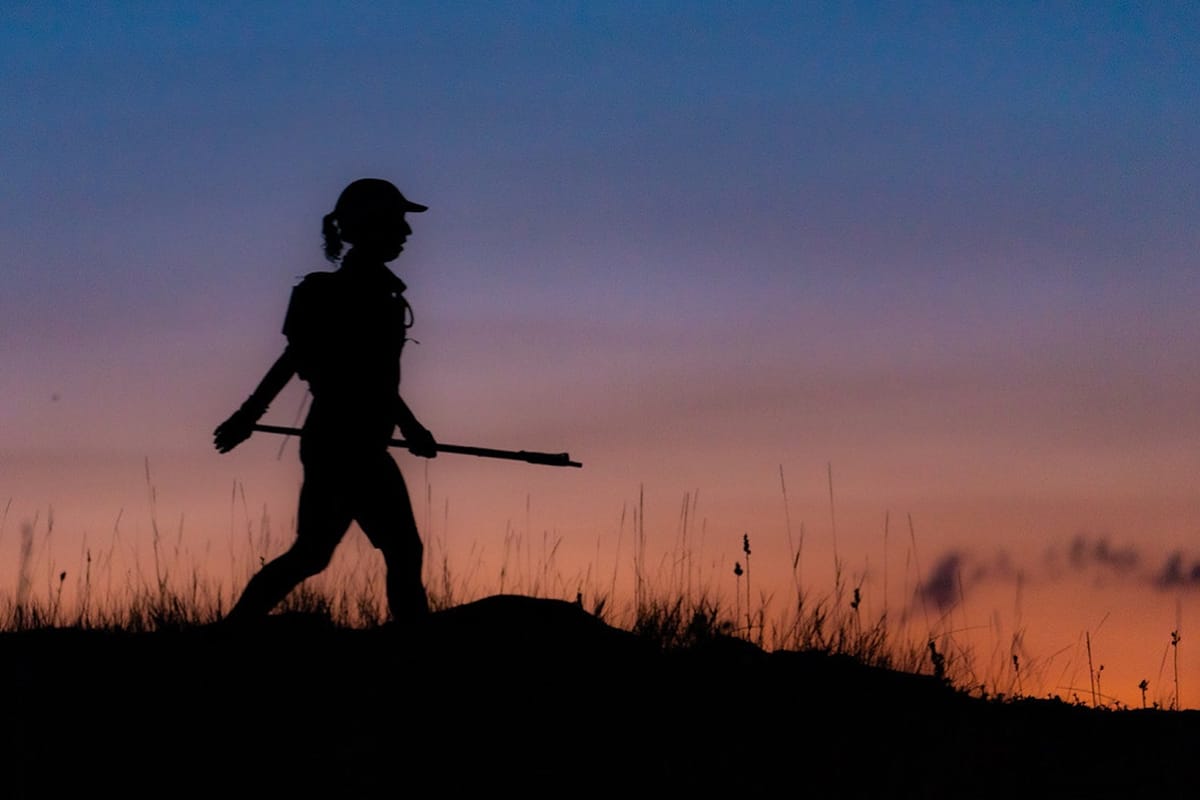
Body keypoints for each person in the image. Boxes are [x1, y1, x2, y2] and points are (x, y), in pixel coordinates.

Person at [213, 177, 437, 624]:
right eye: (396, 222)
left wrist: (408, 426)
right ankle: (418, 648)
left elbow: (373, 383)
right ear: (370, 225)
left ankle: (229, 633)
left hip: (350, 441)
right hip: (344, 444)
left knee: (318, 554)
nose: (406, 233)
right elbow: (326, 368)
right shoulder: (342, 294)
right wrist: (246, 415)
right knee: (391, 551)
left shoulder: (375, 293)